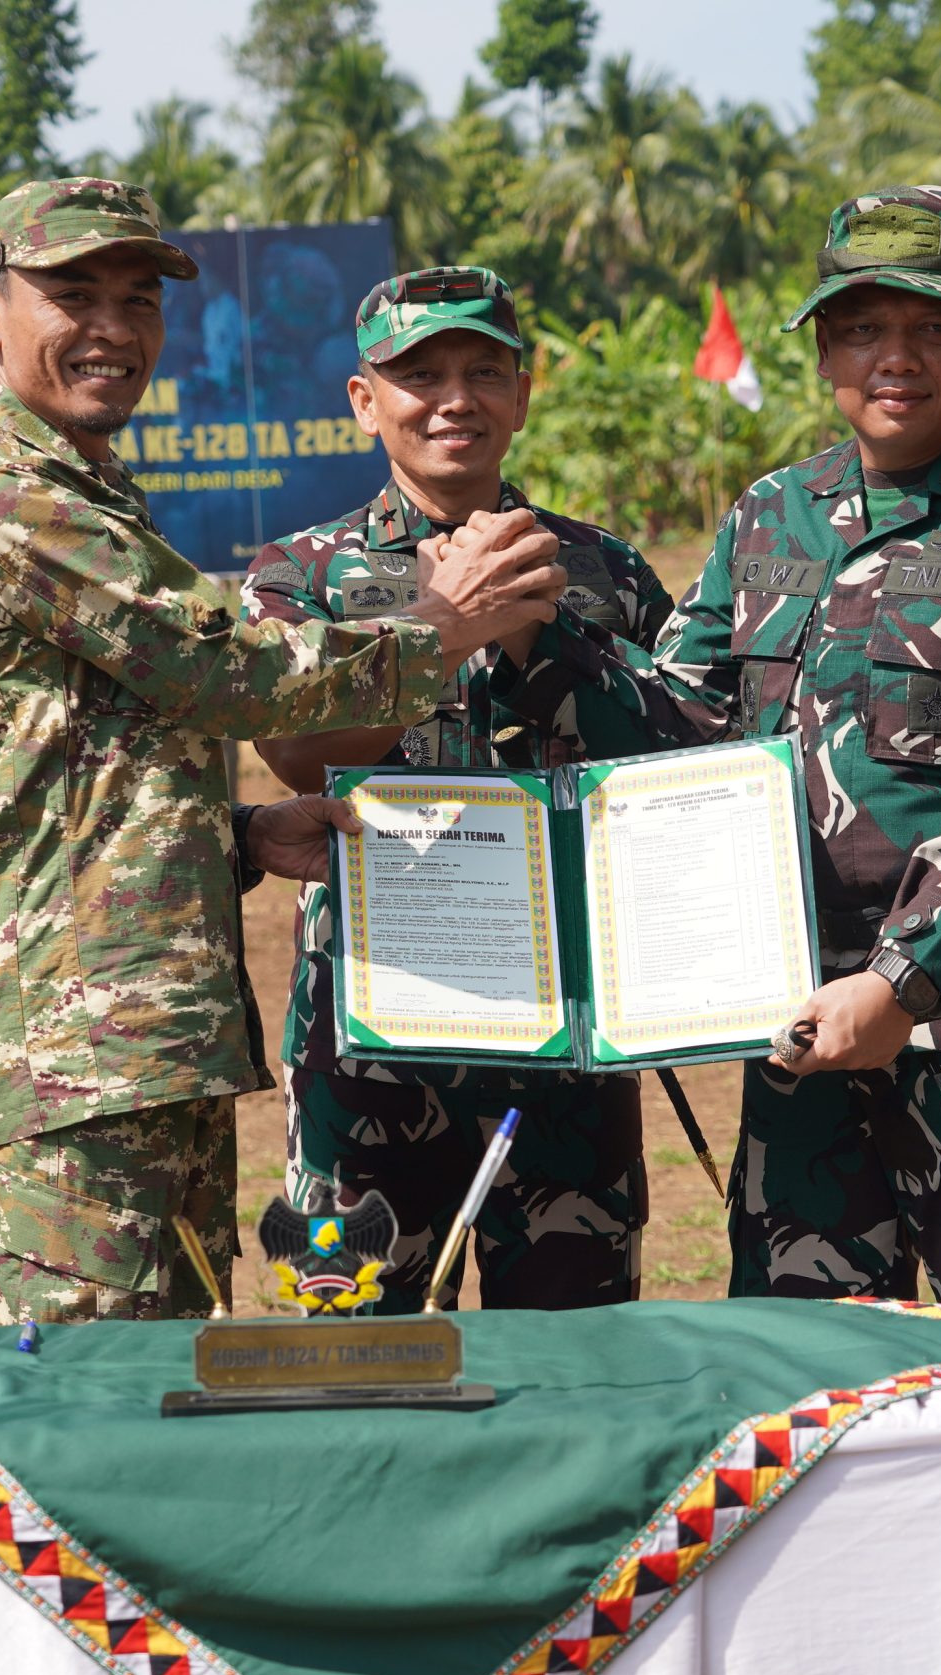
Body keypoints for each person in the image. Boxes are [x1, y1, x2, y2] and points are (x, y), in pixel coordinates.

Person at [0, 178, 566, 1326]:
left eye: (136, 299)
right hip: (87, 1043)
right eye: (71, 294)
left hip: (145, 1030)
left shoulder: (88, 493)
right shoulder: (15, 504)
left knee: (167, 1368)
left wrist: (243, 836)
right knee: (83, 1397)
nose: (112, 329)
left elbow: (87, 778)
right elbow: (231, 671)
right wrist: (444, 623)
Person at [490, 184, 941, 1324]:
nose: (894, 357)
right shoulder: (769, 514)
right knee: (806, 1369)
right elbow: (678, 725)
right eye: (861, 328)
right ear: (824, 347)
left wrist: (899, 984)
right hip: (790, 1023)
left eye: (934, 327)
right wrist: (540, 635)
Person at [241, 266, 665, 1316]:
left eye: (484, 370)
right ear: (363, 400)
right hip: (370, 1041)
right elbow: (298, 754)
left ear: (522, 393)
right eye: (418, 373)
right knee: (350, 1358)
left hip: (566, 1035)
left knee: (574, 1367)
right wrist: (453, 626)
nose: (453, 398)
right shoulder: (304, 574)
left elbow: (670, 765)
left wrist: (544, 636)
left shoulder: (604, 569)